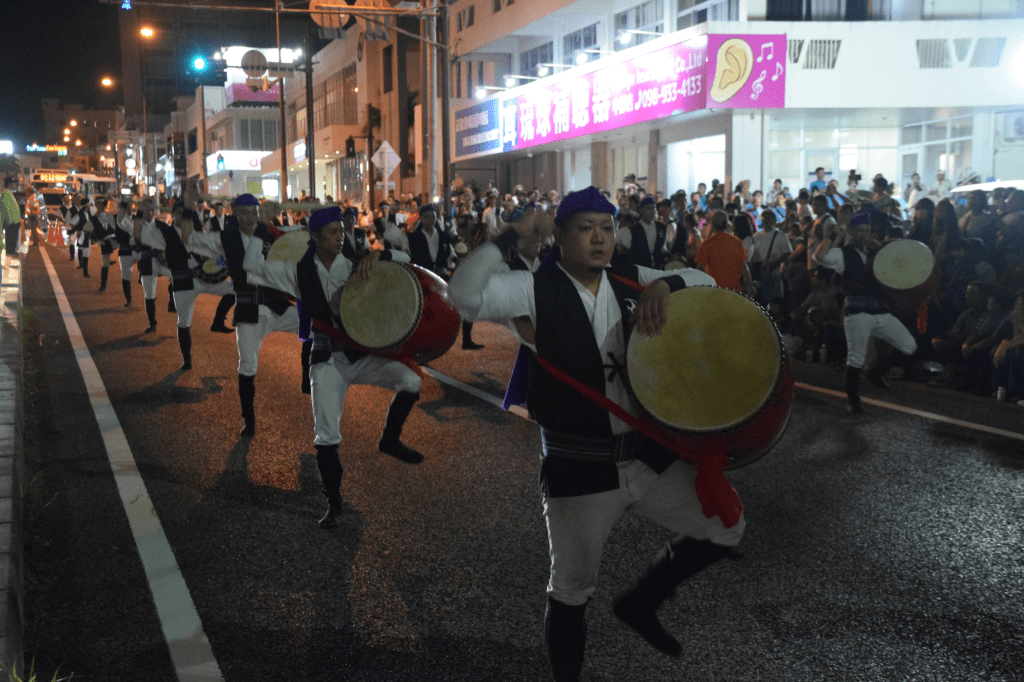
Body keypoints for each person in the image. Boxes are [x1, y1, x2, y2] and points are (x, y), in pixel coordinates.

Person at [448, 187, 745, 682]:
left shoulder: (630, 280)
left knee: (726, 527)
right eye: (585, 229)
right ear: (560, 238)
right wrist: (507, 241)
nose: (599, 239)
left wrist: (665, 286)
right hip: (579, 466)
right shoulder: (534, 289)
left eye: (606, 229)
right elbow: (464, 296)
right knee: (571, 589)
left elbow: (704, 279)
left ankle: (642, 602)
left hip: (645, 460)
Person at [242, 205, 425, 528]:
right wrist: (259, 228)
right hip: (327, 358)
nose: (340, 237)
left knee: (411, 380)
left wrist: (377, 256)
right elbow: (250, 266)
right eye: (333, 232)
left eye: (342, 231)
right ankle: (335, 504)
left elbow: (407, 262)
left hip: (361, 355)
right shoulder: (297, 271)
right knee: (326, 435)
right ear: (314, 237)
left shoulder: (358, 264)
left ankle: (390, 439)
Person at [188, 193, 299, 436]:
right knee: (248, 366)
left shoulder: (272, 234)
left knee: (317, 327)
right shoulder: (226, 238)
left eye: (254, 212)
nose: (250, 217)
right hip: (248, 308)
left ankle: (314, 379)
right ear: (235, 214)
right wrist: (220, 263)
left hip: (276, 304)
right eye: (245, 213)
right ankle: (248, 419)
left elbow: (299, 241)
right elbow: (195, 242)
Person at [813, 212, 918, 413]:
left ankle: (875, 373)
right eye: (860, 231)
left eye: (867, 231)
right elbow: (819, 256)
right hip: (858, 312)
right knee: (856, 358)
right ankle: (853, 400)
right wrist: (830, 236)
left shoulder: (877, 252)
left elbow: (902, 266)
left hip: (880, 311)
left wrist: (881, 249)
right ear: (851, 233)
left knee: (909, 346)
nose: (864, 234)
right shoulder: (843, 253)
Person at [133, 198, 174, 334]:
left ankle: (172, 299)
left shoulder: (161, 226)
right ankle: (152, 323)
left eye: (149, 209)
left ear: (153, 210)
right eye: (143, 209)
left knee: (181, 277)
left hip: (162, 261)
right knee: (149, 295)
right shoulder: (137, 225)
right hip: (146, 262)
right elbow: (136, 240)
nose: (147, 212)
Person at [693, 211, 756, 297]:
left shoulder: (707, 243)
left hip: (713, 290)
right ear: (726, 225)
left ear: (712, 225)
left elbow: (700, 268)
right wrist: (750, 285)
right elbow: (743, 267)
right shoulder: (736, 241)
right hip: (733, 291)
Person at [615, 196, 669, 269]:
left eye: (653, 208)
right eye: (647, 208)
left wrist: (668, 254)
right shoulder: (630, 231)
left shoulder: (662, 228)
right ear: (641, 210)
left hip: (658, 271)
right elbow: (614, 242)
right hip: (639, 272)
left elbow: (662, 247)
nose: (651, 211)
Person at [88, 197, 118, 292]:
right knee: (105, 263)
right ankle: (103, 284)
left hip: (114, 240)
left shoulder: (109, 216)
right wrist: (96, 240)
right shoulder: (93, 219)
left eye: (102, 205)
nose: (101, 207)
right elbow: (86, 231)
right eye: (99, 205)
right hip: (104, 242)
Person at [114, 199, 140, 307]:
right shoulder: (120, 220)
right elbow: (120, 219)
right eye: (128, 207)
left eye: (131, 206)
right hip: (125, 250)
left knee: (147, 264)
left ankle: (143, 279)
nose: (131, 208)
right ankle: (128, 299)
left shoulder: (135, 218)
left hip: (137, 249)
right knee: (126, 276)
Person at [1, 178, 21, 256]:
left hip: (14, 221)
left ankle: (12, 252)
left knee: (13, 239)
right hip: (11, 222)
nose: (14, 185)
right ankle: (10, 254)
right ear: (9, 184)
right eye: (13, 183)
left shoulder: (9, 193)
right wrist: (9, 221)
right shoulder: (6, 193)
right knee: (10, 239)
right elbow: (6, 208)